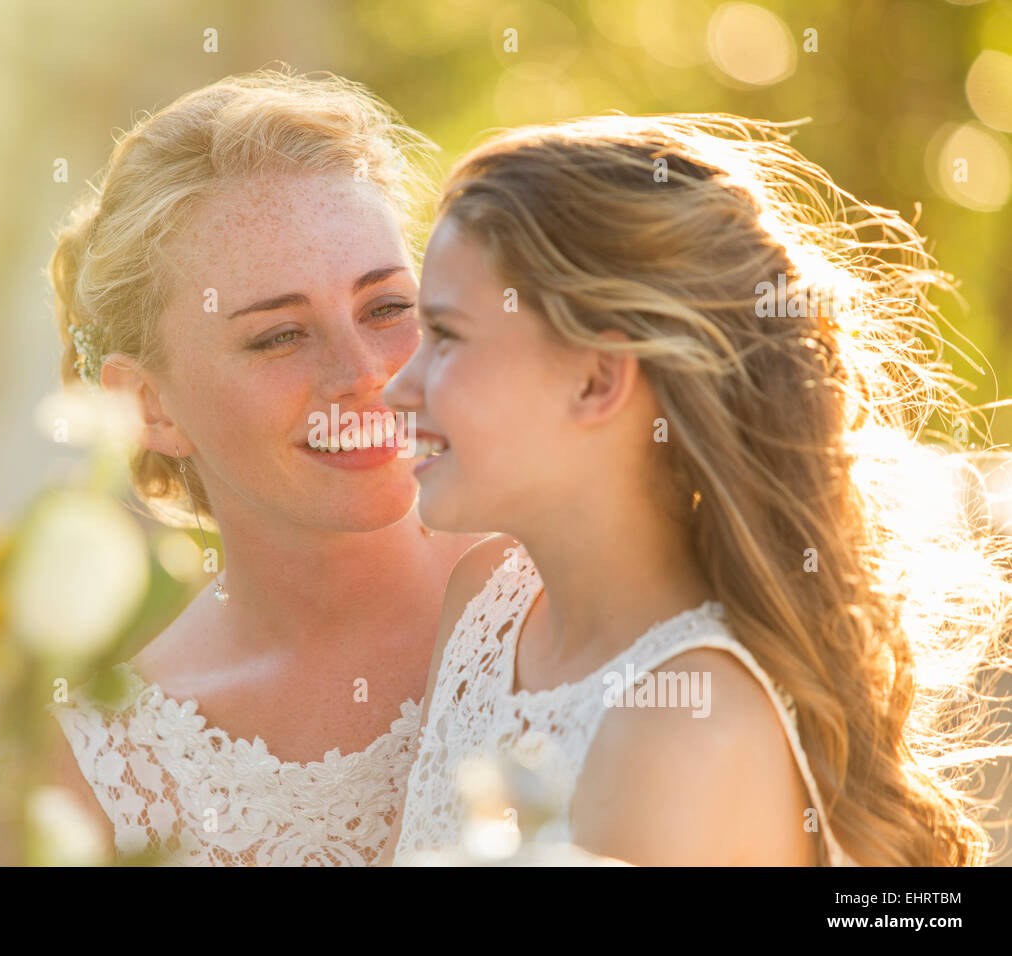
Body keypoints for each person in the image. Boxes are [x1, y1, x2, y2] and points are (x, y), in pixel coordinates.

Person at [382, 114, 1012, 866]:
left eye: (447, 336)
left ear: (596, 379)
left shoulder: (692, 733)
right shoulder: (485, 605)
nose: (397, 387)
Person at [46, 68, 482, 865]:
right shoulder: (100, 770)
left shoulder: (560, 581)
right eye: (278, 336)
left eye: (386, 308)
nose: (364, 372)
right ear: (150, 407)